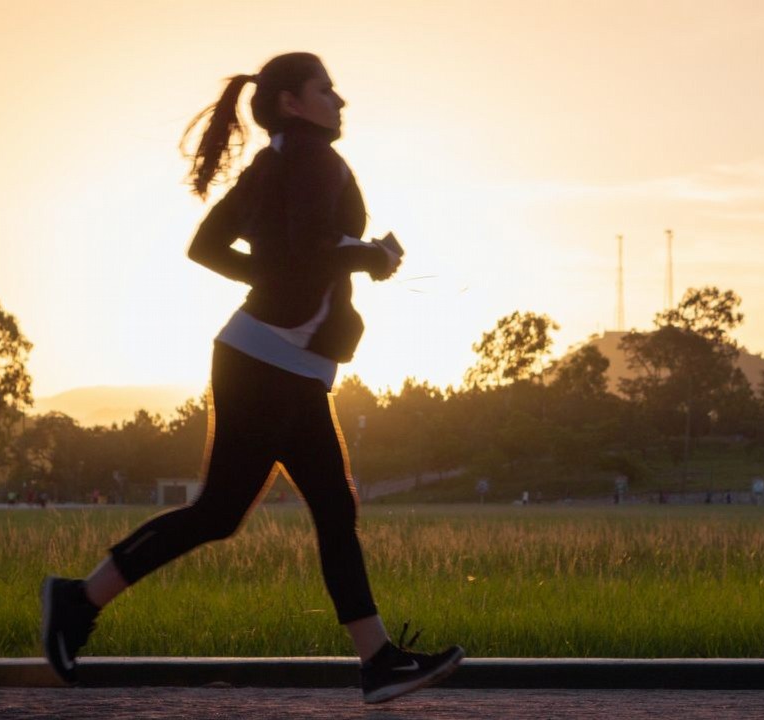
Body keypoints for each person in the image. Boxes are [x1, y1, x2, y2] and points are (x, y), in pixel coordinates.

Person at [40, 52, 463, 704]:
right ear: (293, 102)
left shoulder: (273, 163)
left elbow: (210, 246)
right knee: (239, 511)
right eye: (326, 89)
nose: (340, 101)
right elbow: (309, 246)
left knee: (309, 508)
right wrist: (373, 255)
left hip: (276, 360)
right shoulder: (313, 160)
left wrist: (277, 281)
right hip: (268, 364)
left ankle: (378, 661)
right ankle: (77, 600)